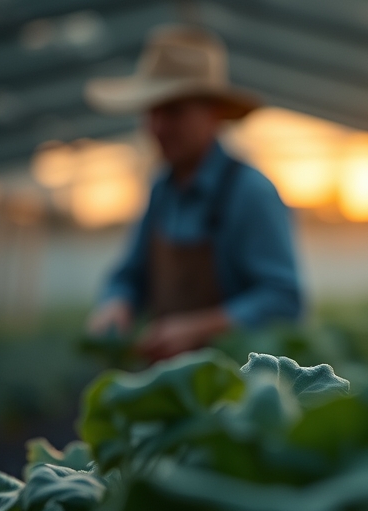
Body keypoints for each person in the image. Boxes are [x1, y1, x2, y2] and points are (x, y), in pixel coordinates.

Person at [83, 26, 301, 361]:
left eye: (173, 111)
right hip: (172, 385)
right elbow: (131, 275)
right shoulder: (162, 190)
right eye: (152, 111)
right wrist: (117, 303)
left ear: (212, 114)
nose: (157, 127)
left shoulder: (250, 192)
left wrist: (200, 328)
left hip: (236, 390)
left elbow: (284, 299)